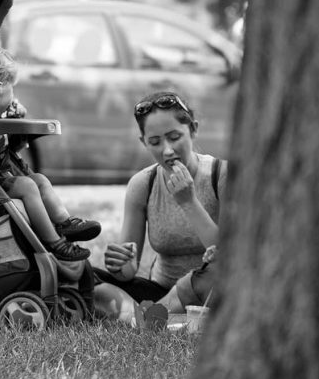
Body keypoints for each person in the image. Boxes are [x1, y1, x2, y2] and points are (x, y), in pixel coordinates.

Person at [0, 44, 101, 262]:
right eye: (12, 90)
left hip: (1, 177)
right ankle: (54, 241)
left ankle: (65, 222)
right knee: (29, 185)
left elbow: (6, 148)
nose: (13, 98)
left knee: (39, 179)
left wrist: (15, 121)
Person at [93, 91, 226, 328]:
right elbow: (128, 271)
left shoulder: (221, 175)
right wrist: (121, 266)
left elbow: (229, 254)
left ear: (193, 130)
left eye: (175, 137)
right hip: (161, 292)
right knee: (84, 275)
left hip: (210, 288)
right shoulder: (143, 184)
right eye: (155, 142)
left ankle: (145, 320)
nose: (167, 150)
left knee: (218, 271)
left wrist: (189, 202)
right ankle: (164, 319)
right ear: (144, 142)